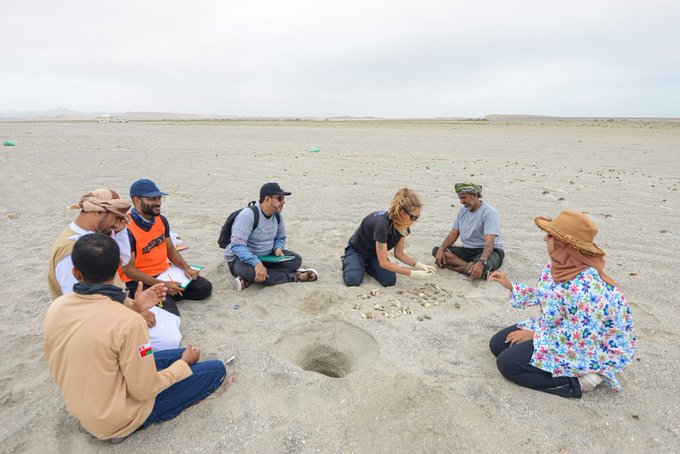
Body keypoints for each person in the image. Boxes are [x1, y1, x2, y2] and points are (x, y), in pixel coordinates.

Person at [44, 234, 229, 442]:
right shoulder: (128, 322)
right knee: (214, 369)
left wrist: (137, 309)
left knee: (178, 353)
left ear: (76, 273)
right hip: (114, 419)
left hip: (80, 404)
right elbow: (144, 390)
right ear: (119, 267)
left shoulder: (56, 308)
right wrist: (182, 366)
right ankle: (125, 429)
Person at [488, 211, 636, 398]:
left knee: (507, 364)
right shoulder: (557, 266)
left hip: (588, 344)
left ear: (563, 244)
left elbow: (580, 335)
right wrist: (509, 285)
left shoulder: (588, 288)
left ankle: (579, 381)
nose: (544, 239)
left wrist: (534, 336)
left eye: (550, 236)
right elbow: (546, 295)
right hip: (557, 328)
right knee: (497, 344)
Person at [48, 188, 181, 352]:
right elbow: (80, 309)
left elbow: (124, 261)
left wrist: (121, 230)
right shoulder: (71, 251)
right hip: (97, 325)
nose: (120, 222)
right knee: (169, 341)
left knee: (172, 323)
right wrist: (133, 315)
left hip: (117, 306)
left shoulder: (100, 233)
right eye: (116, 217)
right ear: (97, 212)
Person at [121, 179, 212, 315]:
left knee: (204, 288)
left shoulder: (160, 220)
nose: (158, 202)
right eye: (151, 199)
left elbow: (170, 249)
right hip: (139, 281)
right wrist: (161, 285)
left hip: (164, 272)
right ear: (136, 201)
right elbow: (129, 270)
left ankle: (167, 295)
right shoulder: (126, 230)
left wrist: (186, 268)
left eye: (159, 198)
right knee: (171, 314)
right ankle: (159, 297)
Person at [224, 182, 318, 291]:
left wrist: (278, 247)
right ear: (267, 199)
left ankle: (251, 279)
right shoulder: (248, 215)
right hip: (242, 260)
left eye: (283, 198)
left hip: (267, 257)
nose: (283, 202)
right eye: (279, 198)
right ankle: (294, 276)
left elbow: (280, 238)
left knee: (296, 260)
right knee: (249, 271)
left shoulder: (277, 216)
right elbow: (237, 246)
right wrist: (256, 262)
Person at [342, 188, 436, 287]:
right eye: (413, 217)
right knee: (353, 280)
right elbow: (383, 263)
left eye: (418, 217)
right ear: (402, 213)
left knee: (389, 281)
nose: (415, 221)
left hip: (375, 254)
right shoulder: (382, 225)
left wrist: (419, 266)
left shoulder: (403, 224)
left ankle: (367, 265)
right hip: (357, 251)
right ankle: (351, 261)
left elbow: (399, 254)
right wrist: (412, 274)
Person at [433, 182, 504, 280]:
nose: (461, 201)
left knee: (484, 266)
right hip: (468, 250)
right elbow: (454, 233)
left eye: (464, 198)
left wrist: (481, 262)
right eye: (460, 198)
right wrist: (441, 249)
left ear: (475, 196)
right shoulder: (462, 211)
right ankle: (471, 268)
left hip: (491, 251)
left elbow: (489, 241)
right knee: (437, 251)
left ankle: (466, 267)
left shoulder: (489, 212)